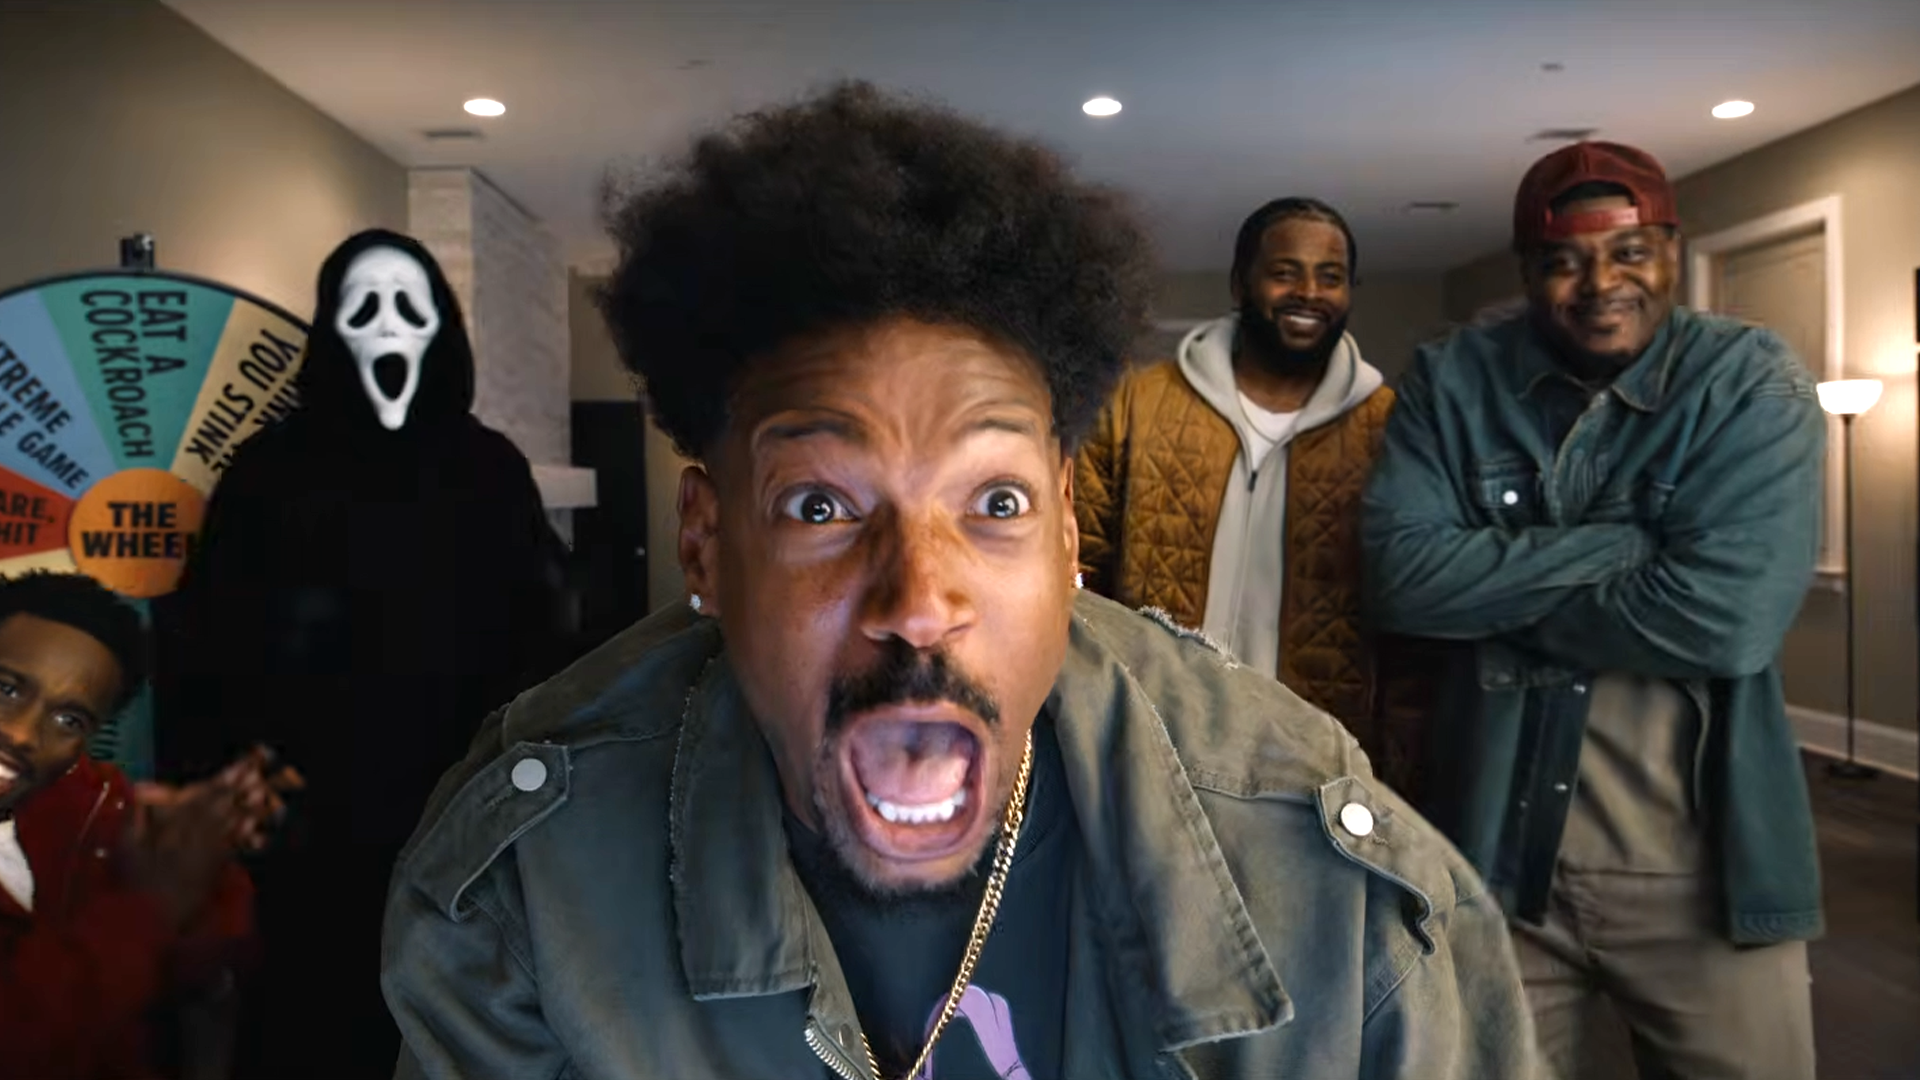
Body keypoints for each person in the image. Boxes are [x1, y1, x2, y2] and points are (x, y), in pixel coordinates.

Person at [381, 81, 1537, 1080]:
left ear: (1069, 532)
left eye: (996, 504)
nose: (920, 603)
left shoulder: (1329, 889)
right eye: (821, 507)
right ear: (706, 546)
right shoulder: (530, 886)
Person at [1361, 140, 1825, 1080]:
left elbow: (1728, 621)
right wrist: (1626, 547)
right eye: (1564, 261)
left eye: (1629, 253)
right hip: (1496, 859)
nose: (1601, 284)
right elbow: (1402, 582)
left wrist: (1490, 592)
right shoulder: (1454, 380)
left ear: (1673, 252)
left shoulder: (1747, 381)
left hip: (1701, 872)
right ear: (1528, 271)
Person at [152, 229, 572, 1079]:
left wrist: (526, 783)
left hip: (459, 812)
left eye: (408, 308)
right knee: (310, 1017)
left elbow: (545, 638)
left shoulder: (488, 471)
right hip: (307, 831)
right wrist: (224, 790)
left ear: (441, 328)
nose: (386, 327)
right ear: (331, 328)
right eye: (363, 308)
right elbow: (203, 647)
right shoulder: (267, 473)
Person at [1074, 197, 1425, 793]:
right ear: (1240, 283)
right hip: (1154, 742)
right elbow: (1078, 569)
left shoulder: (1391, 426)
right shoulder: (1139, 403)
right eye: (1285, 272)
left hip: (1316, 763)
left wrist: (1396, 774)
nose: (1308, 293)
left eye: (1330, 277)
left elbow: (1409, 633)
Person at [0, 570, 297, 1080]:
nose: (24, 734)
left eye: (69, 720)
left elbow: (214, 963)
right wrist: (150, 907)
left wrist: (200, 851)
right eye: (6, 689)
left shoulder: (89, 802)